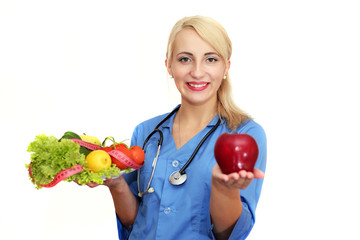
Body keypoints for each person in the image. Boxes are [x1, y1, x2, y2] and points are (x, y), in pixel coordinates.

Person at [86, 16, 267, 240]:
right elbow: (135, 221)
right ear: (169, 66)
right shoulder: (146, 132)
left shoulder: (245, 134)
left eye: (211, 59)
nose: (198, 72)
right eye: (185, 59)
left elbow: (230, 234)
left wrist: (224, 189)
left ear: (226, 67)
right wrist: (116, 183)